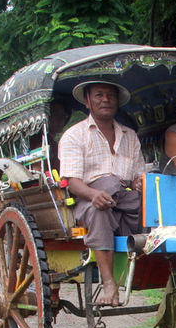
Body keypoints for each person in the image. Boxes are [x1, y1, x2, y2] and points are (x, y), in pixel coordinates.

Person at [58, 80, 146, 306]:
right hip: (87, 200)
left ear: (117, 101)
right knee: (99, 211)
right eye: (99, 95)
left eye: (110, 95)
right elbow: (72, 182)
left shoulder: (130, 136)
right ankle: (108, 283)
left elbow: (138, 176)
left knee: (148, 207)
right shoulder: (74, 135)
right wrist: (93, 194)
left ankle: (148, 269)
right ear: (87, 101)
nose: (105, 100)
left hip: (124, 199)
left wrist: (138, 183)